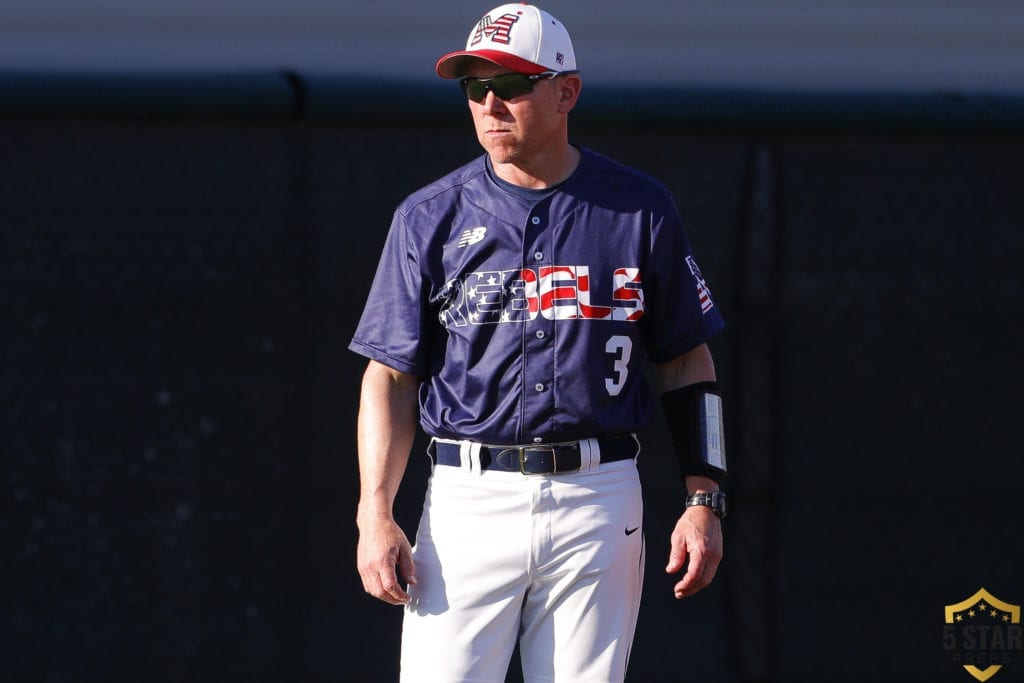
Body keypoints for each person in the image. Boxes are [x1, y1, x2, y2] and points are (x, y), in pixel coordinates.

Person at [350, 4, 729, 681]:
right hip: (470, 496)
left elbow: (685, 357)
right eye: (474, 86)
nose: (491, 103)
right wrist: (374, 513)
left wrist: (703, 498)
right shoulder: (429, 217)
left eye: (513, 84)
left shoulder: (638, 208)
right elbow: (389, 375)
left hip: (599, 492)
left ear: (566, 91)